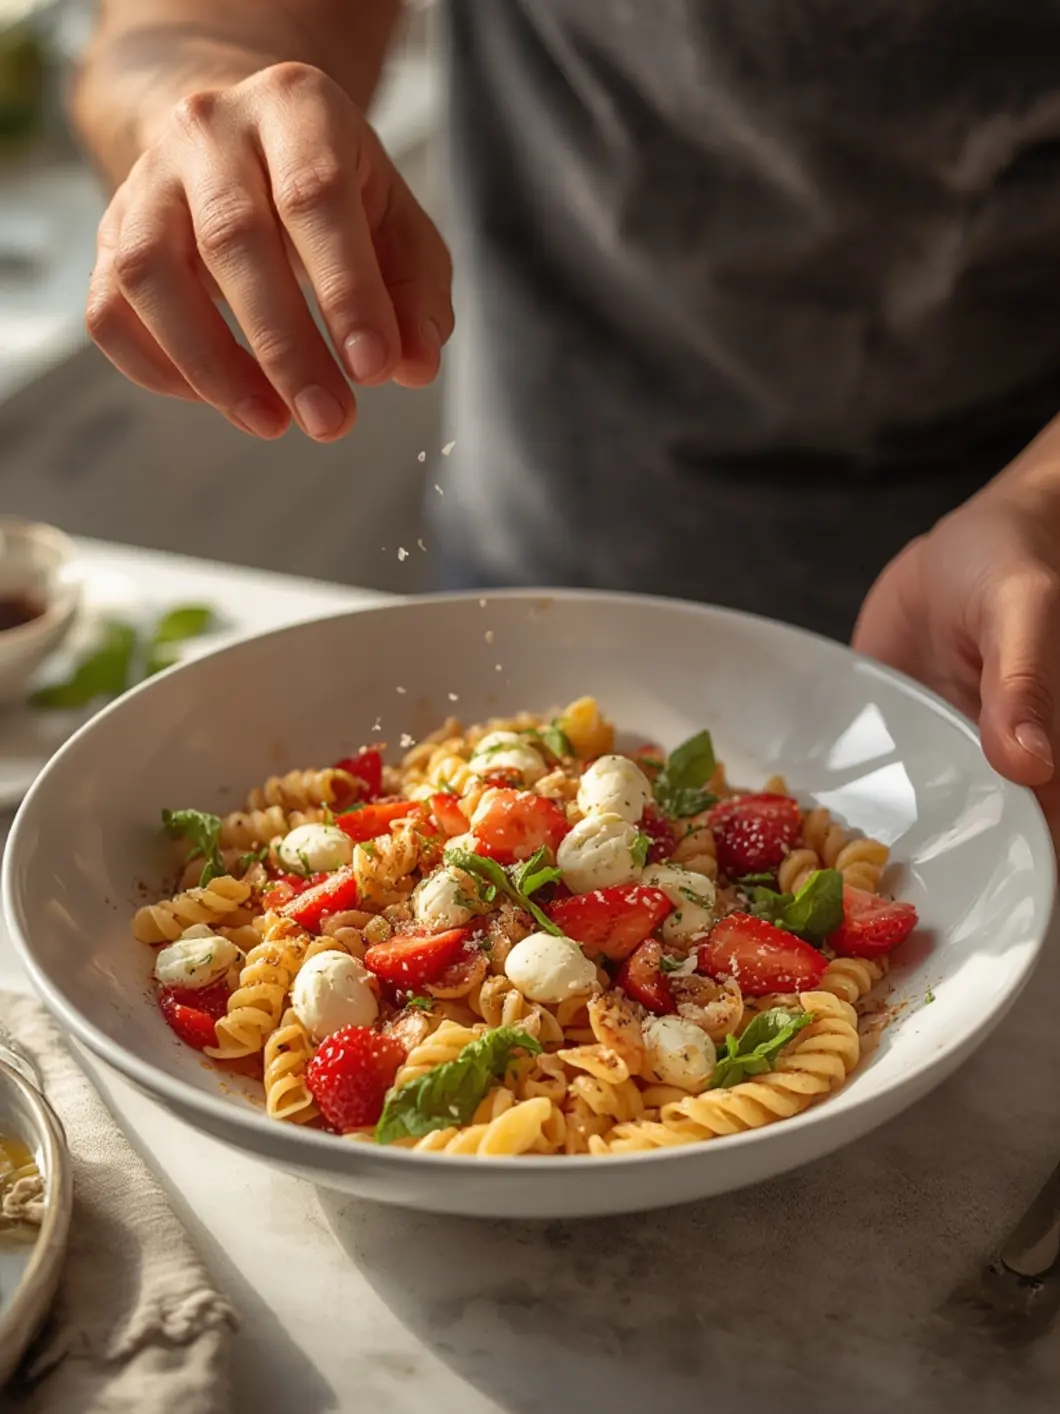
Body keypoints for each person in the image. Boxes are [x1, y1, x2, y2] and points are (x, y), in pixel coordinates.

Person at [73, 2, 1060, 838]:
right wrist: (197, 102)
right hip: (534, 567)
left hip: (986, 614)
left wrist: (1040, 506)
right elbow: (167, 32)